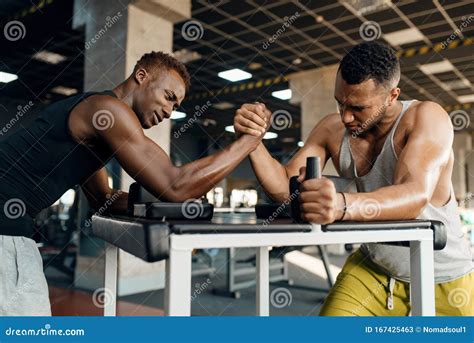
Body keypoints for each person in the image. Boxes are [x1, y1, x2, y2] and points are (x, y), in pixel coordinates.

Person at [0, 51, 270, 316]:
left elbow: (102, 199)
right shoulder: (108, 110)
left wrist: (165, 205)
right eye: (168, 97)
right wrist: (249, 141)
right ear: (141, 76)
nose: (169, 110)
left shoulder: (96, 125)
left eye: (176, 107)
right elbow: (176, 186)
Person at [234, 41, 473, 316]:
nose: (346, 117)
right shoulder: (331, 129)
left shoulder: (427, 117)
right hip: (375, 270)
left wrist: (341, 206)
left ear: (392, 96)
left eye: (358, 108)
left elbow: (414, 196)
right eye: (340, 103)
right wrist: (251, 140)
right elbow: (286, 188)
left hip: (444, 278)